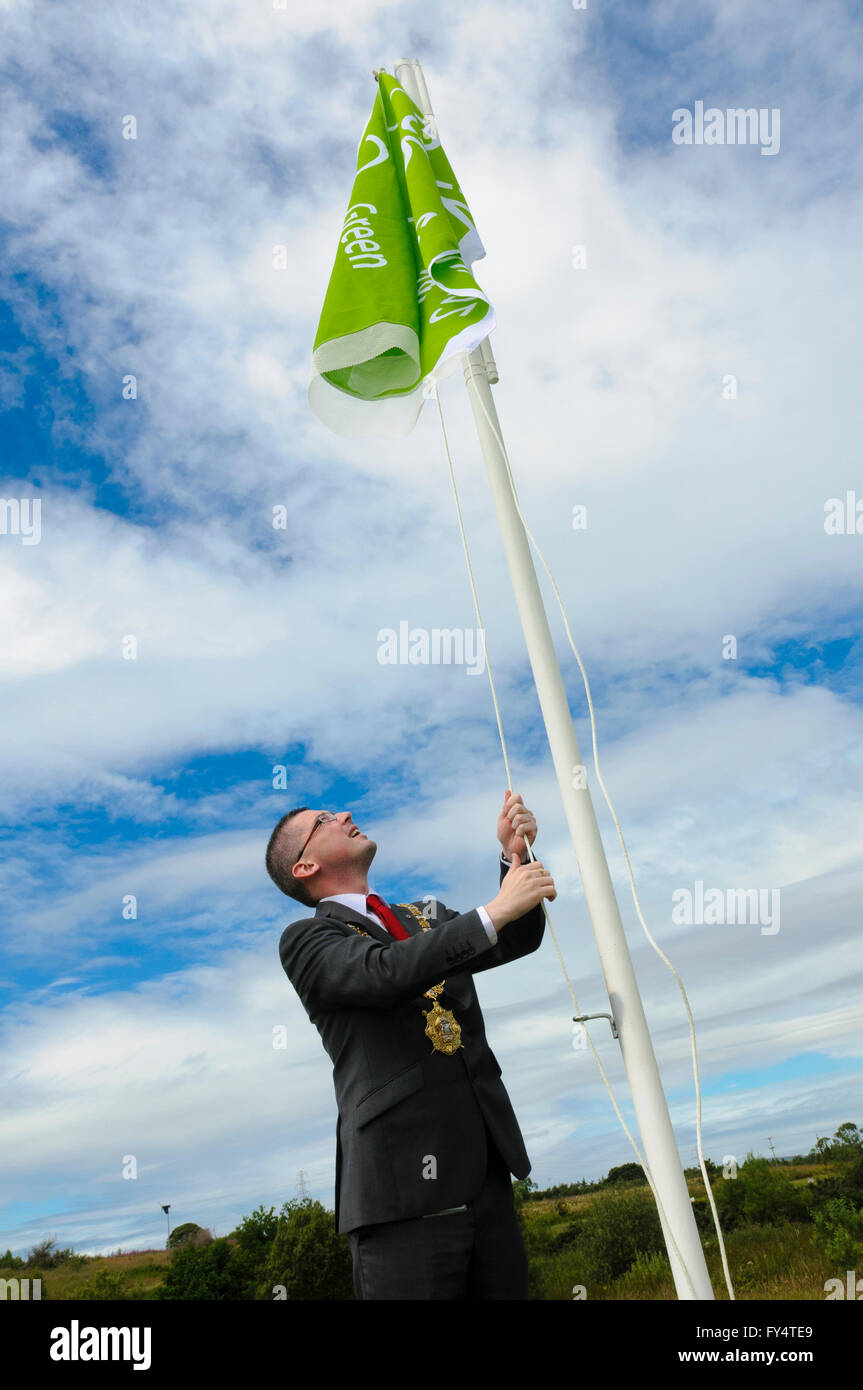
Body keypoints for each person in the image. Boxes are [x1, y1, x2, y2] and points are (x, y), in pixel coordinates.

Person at [266, 789, 556, 1299]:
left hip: (485, 1181)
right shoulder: (307, 942)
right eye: (326, 820)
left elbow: (514, 937)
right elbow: (383, 973)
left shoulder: (424, 916)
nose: (346, 814)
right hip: (400, 1197)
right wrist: (493, 911)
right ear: (304, 866)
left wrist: (516, 858)